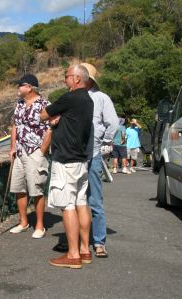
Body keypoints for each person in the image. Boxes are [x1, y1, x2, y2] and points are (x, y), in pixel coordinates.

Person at [40, 64, 93, 269]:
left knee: (67, 206)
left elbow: (43, 114)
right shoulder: (88, 100)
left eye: (66, 76)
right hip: (80, 160)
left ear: (77, 79)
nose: (65, 80)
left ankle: (72, 255)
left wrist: (54, 121)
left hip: (65, 160)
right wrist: (60, 121)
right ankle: (85, 250)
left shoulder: (70, 98)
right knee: (81, 203)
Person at [80, 63, 118, 258]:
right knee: (76, 200)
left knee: (94, 199)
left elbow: (113, 123)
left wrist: (103, 141)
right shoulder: (76, 97)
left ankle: (99, 241)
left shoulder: (101, 98)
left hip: (93, 153)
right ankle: (80, 241)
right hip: (75, 155)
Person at [9, 74, 52, 239]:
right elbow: (15, 126)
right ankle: (23, 222)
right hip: (19, 152)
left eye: (20, 85)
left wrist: (42, 151)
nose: (18, 88)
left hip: (35, 152)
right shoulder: (19, 104)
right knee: (18, 188)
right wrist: (13, 147)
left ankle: (40, 225)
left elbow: (50, 129)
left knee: (37, 190)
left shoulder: (44, 105)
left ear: (30, 87)